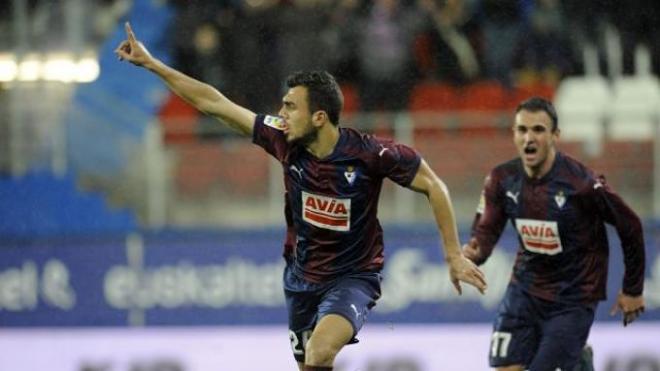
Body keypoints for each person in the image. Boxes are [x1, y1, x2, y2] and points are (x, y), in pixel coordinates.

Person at [115, 22, 487, 371]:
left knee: (320, 349)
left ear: (320, 117)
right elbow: (215, 104)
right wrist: (153, 65)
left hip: (354, 277)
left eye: (290, 107)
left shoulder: (372, 154)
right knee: (310, 363)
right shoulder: (282, 138)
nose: (281, 114)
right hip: (300, 280)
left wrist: (453, 255)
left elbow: (434, 186)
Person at [463, 97, 646, 371]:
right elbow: (484, 235)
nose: (529, 138)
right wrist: (470, 255)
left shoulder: (582, 184)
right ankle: (578, 363)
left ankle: (578, 362)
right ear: (513, 134)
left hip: (573, 296)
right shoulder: (501, 179)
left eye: (538, 130)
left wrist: (632, 289)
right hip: (524, 290)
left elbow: (630, 225)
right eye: (522, 130)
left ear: (555, 135)